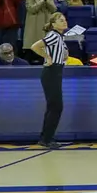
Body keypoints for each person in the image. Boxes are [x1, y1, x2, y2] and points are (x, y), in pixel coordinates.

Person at [33, 11, 69, 148]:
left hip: (56, 71)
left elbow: (62, 55)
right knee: (56, 106)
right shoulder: (53, 35)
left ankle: (46, 137)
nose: (64, 22)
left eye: (64, 19)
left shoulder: (60, 37)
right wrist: (47, 57)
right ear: (53, 24)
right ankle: (47, 139)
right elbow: (35, 46)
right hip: (51, 71)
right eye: (60, 20)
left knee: (53, 106)